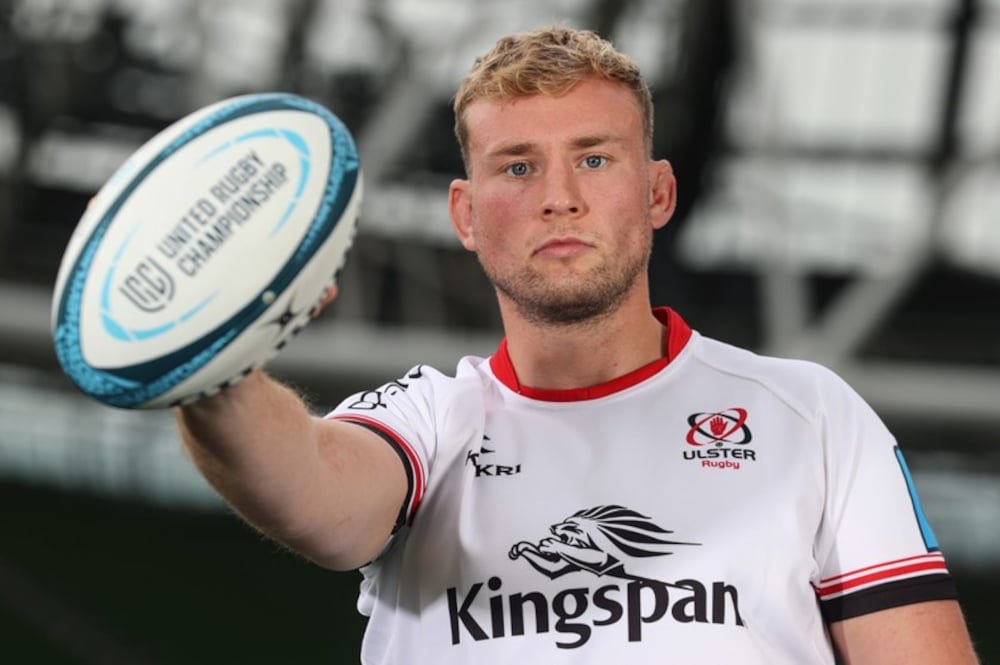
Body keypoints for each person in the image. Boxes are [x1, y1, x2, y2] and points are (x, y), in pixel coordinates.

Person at [177, 26, 980, 664]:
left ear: (658, 192)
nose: (559, 198)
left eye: (594, 159)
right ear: (464, 213)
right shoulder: (428, 417)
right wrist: (214, 364)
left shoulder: (812, 416)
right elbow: (315, 498)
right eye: (518, 167)